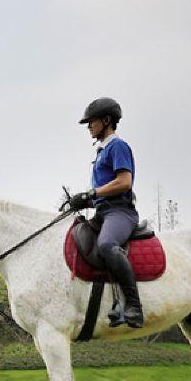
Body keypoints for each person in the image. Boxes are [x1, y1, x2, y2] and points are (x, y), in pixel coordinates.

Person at [67, 97, 144, 328]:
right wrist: (83, 201)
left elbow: (124, 182)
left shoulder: (117, 146)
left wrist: (91, 193)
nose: (88, 126)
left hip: (120, 212)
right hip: (103, 212)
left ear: (106, 120)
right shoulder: (100, 151)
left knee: (107, 245)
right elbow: (101, 192)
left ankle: (134, 306)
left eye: (91, 122)